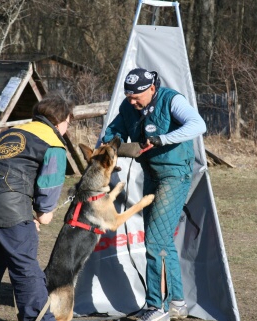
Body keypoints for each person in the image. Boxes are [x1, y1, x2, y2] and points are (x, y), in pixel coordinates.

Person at [102, 68, 206, 321]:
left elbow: (198, 125)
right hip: (151, 175)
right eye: (128, 96)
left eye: (136, 97)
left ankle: (155, 308)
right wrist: (113, 146)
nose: (132, 101)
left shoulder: (172, 99)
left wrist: (163, 139)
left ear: (152, 89)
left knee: (155, 241)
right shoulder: (129, 107)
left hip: (174, 175)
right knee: (162, 241)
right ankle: (178, 304)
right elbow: (113, 133)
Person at [0, 91, 74, 321]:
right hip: (8, 203)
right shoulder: (54, 144)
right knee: (26, 269)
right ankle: (38, 318)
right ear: (63, 120)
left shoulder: (11, 132)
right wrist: (39, 215)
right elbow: (47, 198)